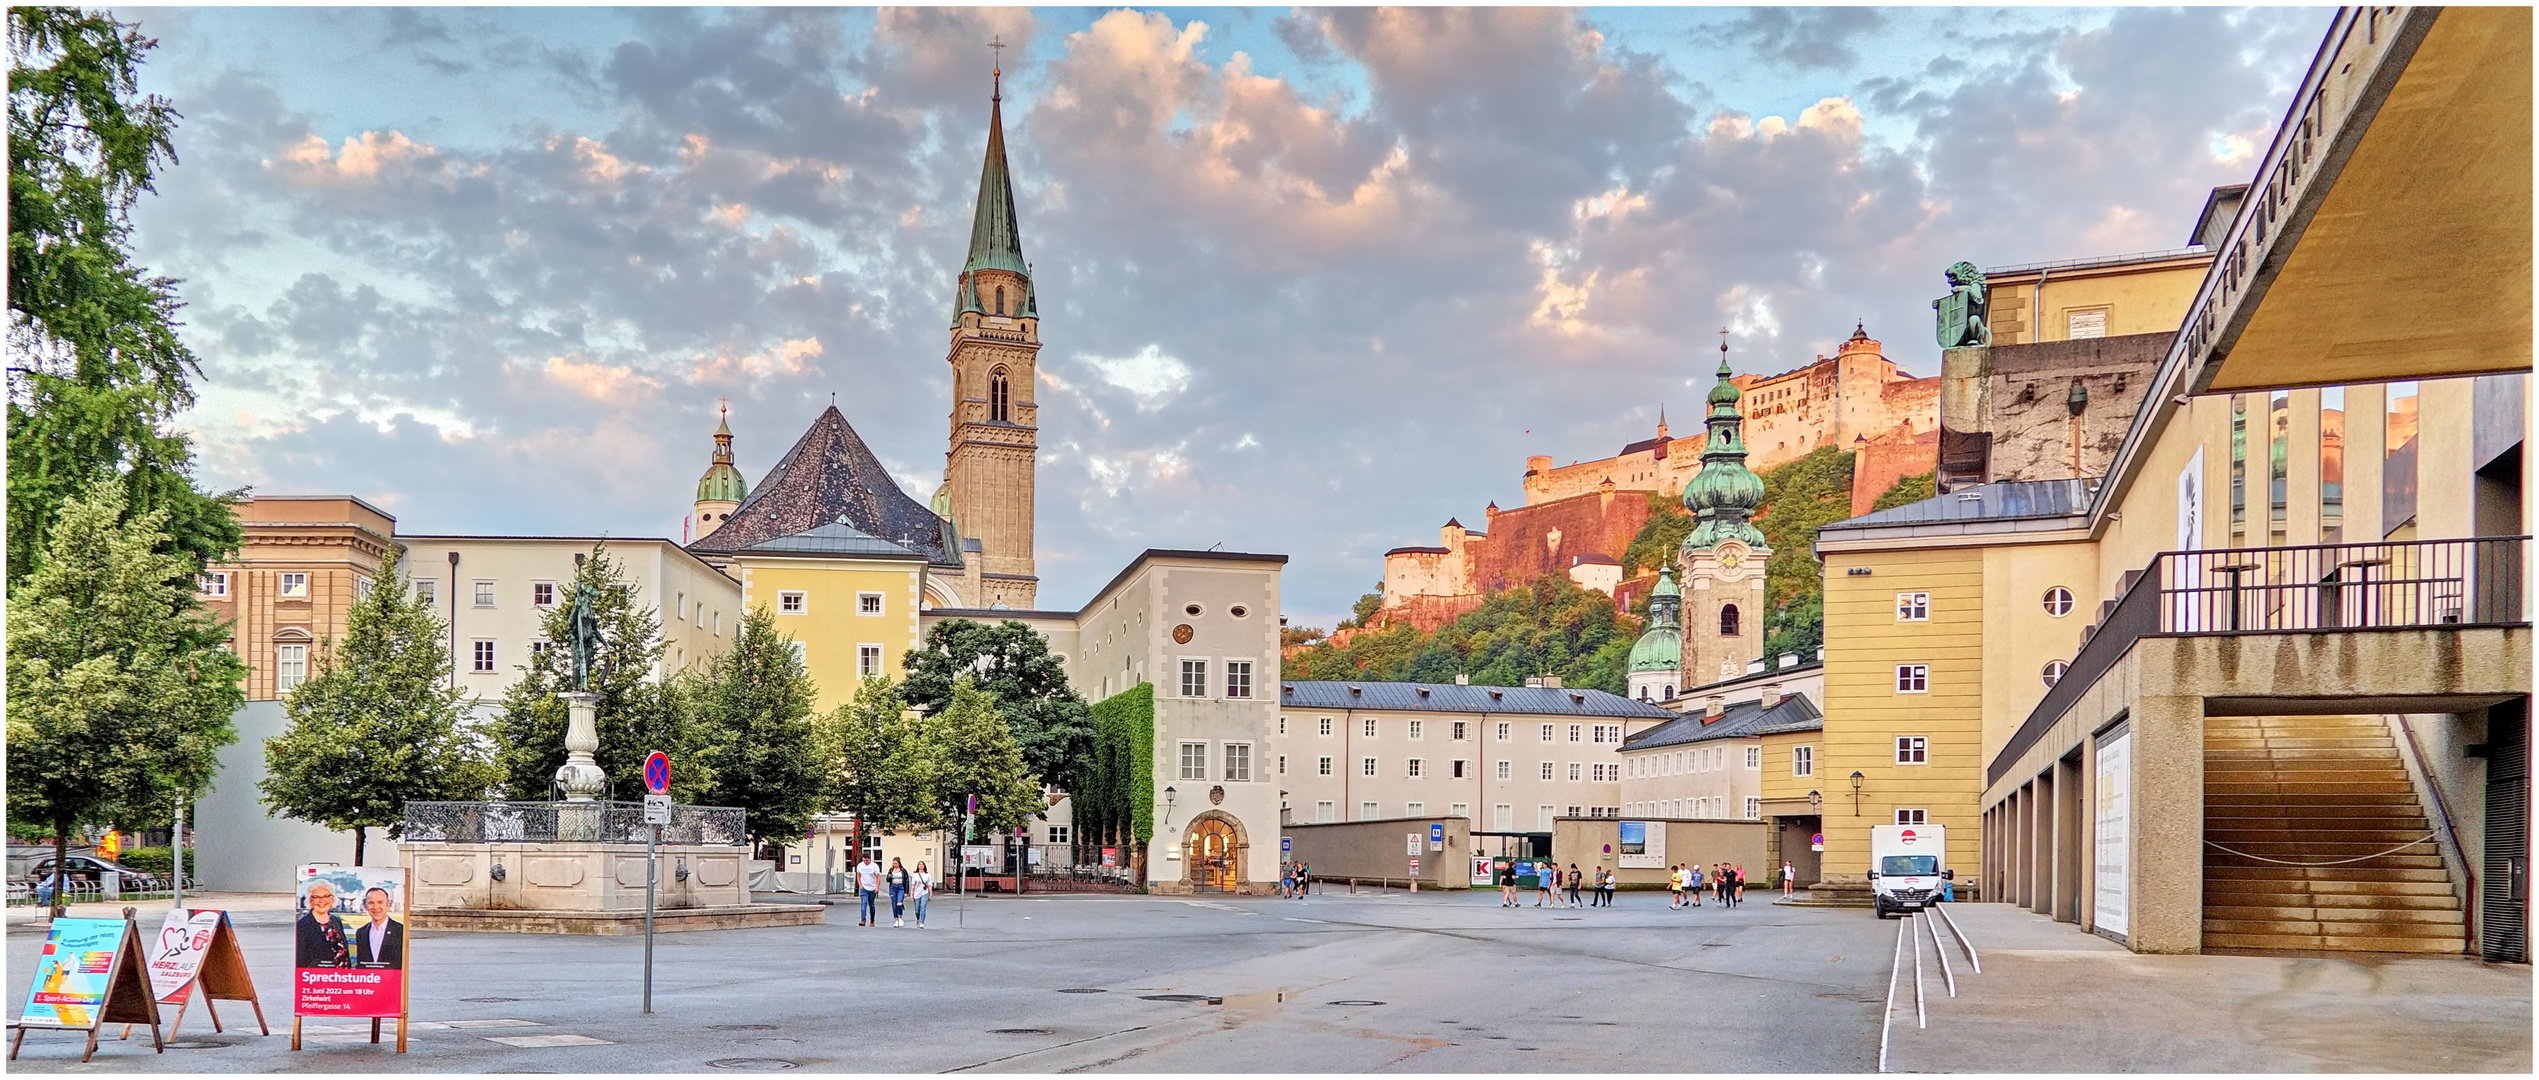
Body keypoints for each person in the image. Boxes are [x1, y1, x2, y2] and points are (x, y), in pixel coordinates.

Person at [295, 881, 351, 969]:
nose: (321, 900)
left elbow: (345, 953)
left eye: (326, 896)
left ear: (332, 899)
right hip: (318, 978)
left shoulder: (336, 921)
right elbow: (301, 961)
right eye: (316, 897)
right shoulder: (302, 926)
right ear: (310, 900)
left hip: (342, 978)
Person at [352, 886, 404, 967]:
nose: (376, 907)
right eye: (371, 903)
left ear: (388, 904)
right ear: (365, 906)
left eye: (380, 902)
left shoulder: (400, 930)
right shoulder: (361, 932)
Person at [855, 853, 882, 927]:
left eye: (867, 860)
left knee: (871, 905)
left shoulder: (874, 866)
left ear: (869, 859)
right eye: (864, 860)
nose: (865, 862)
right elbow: (858, 876)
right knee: (863, 903)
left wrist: (877, 887)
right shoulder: (860, 865)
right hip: (864, 888)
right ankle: (863, 920)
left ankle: (872, 920)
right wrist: (860, 885)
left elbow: (878, 877)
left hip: (872, 888)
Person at [886, 857, 911, 928]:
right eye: (893, 863)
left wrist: (906, 892)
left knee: (899, 903)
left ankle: (900, 917)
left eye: (896, 863)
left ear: (899, 863)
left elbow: (906, 881)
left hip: (901, 888)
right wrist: (889, 876)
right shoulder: (891, 870)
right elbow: (887, 880)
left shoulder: (903, 870)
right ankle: (896, 919)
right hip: (893, 887)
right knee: (894, 904)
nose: (894, 865)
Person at [911, 861, 933, 928]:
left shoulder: (927, 875)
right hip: (917, 894)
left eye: (922, 864)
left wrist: (930, 894)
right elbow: (913, 885)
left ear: (924, 866)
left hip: (924, 893)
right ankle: (918, 919)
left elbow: (929, 885)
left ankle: (922, 922)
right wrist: (911, 894)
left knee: (923, 908)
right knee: (917, 910)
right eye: (919, 865)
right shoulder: (915, 875)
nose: (921, 866)